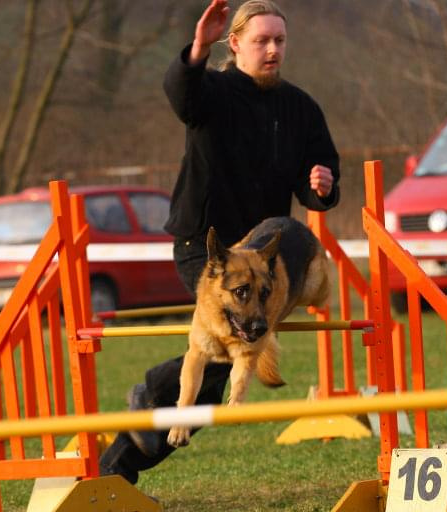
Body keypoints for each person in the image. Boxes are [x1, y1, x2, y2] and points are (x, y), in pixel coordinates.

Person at [99, 0, 340, 484]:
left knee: (227, 358)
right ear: (235, 44)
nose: (273, 49)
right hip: (203, 248)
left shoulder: (301, 108)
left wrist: (323, 184)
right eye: (261, 40)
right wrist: (196, 49)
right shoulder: (213, 91)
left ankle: (123, 458)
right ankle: (144, 410)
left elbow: (318, 180)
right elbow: (181, 95)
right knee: (218, 358)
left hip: (260, 260)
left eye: (280, 40)